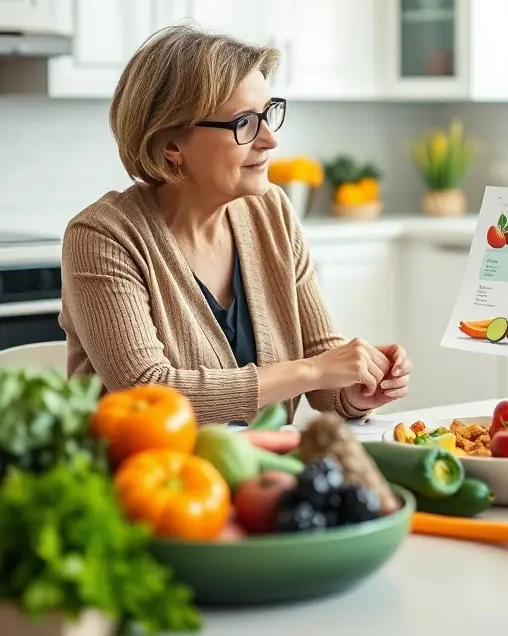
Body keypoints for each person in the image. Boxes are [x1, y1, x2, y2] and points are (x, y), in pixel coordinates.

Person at [59, 25, 412, 425]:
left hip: (261, 470)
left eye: (268, 115)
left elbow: (319, 355)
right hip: (146, 478)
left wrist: (356, 385)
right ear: (171, 145)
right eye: (244, 122)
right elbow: (149, 392)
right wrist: (312, 371)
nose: (269, 140)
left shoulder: (271, 211)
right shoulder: (103, 236)